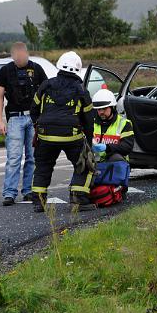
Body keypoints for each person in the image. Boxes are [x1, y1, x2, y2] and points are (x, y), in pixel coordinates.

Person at [30, 51, 95, 213]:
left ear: (59, 66)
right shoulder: (81, 90)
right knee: (84, 166)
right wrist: (89, 142)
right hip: (71, 135)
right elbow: (88, 119)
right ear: (77, 70)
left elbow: (34, 108)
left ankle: (39, 202)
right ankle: (78, 200)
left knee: (43, 166)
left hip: (45, 134)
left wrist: (38, 125)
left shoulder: (46, 85)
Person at [0, 42, 47, 206]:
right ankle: (9, 193)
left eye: (22, 56)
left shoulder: (37, 69)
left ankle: (28, 190)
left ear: (26, 53)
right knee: (14, 158)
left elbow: (46, 92)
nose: (20, 59)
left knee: (32, 157)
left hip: (33, 119)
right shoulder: (5, 71)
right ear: (12, 56)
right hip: (15, 119)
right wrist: (0, 121)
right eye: (16, 57)